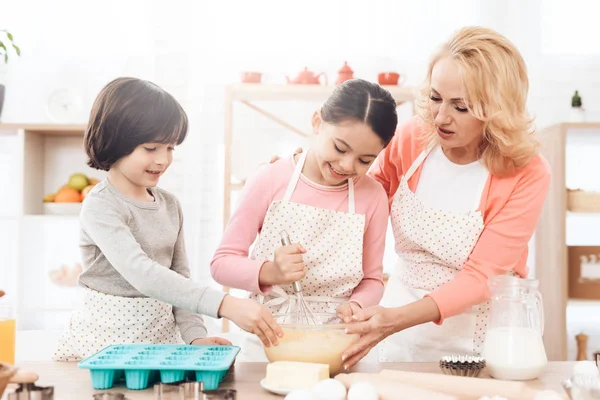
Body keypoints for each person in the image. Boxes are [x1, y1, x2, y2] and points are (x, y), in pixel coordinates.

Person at [338, 26, 551, 368]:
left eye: (461, 107)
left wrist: (396, 319)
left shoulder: (526, 171)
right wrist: (304, 172)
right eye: (436, 98)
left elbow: (483, 277)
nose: (440, 117)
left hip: (479, 335)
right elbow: (361, 201)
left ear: (496, 109)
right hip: (397, 323)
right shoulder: (412, 139)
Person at [53, 77, 282, 361]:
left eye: (170, 148)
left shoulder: (170, 205)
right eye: (151, 148)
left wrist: (194, 335)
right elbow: (142, 273)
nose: (163, 159)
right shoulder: (100, 206)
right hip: (106, 343)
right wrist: (224, 304)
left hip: (160, 340)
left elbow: (178, 280)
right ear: (115, 140)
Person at [210, 79, 398, 361]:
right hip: (267, 342)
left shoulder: (373, 197)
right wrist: (271, 272)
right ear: (317, 122)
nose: (347, 165)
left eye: (364, 160)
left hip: (336, 345)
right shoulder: (269, 179)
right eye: (340, 147)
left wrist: (357, 305)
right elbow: (221, 265)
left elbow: (373, 280)